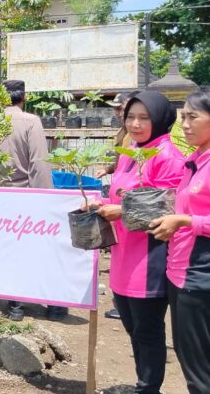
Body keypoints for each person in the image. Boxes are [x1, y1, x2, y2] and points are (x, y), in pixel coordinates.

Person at [91, 90, 185, 394]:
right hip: (124, 252)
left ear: (160, 119)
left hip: (150, 256)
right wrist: (99, 206)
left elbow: (168, 208)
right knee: (133, 326)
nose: (135, 123)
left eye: (144, 118)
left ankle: (148, 388)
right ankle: (144, 385)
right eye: (130, 116)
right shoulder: (134, 151)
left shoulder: (167, 156)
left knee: (147, 330)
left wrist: (122, 210)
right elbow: (120, 194)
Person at [150, 88, 210, 394]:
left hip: (200, 276)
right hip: (180, 273)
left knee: (200, 369)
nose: (184, 125)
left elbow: (189, 217)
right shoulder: (195, 160)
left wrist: (185, 221)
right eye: (182, 117)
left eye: (193, 117)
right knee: (191, 358)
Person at [0, 80, 67, 322]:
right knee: (43, 248)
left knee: (10, 250)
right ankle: (55, 304)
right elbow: (39, 163)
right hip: (27, 194)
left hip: (0, 197)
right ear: (23, 97)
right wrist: (47, 199)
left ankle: (15, 305)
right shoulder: (30, 121)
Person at [94, 91, 137, 321]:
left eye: (121, 108)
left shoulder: (135, 134)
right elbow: (122, 161)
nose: (117, 112)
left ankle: (125, 305)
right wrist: (110, 170)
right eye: (118, 109)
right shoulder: (125, 131)